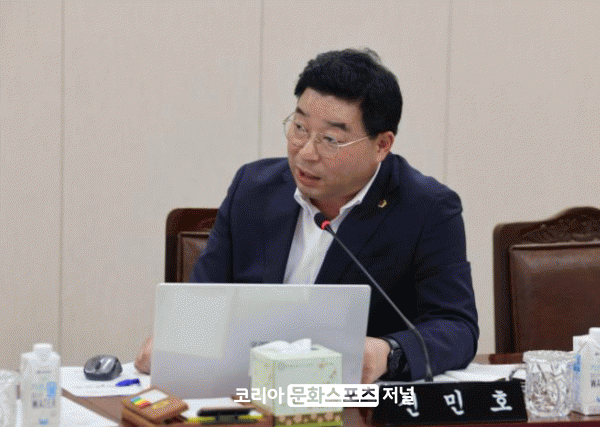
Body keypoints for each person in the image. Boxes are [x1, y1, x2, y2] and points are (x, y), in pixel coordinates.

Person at [136, 48, 479, 383]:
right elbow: (202, 301)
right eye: (299, 127)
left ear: (381, 145)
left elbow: (456, 327)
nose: (307, 152)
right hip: (245, 392)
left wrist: (387, 353)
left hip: (349, 402)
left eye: (330, 139)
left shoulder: (427, 209)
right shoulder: (253, 189)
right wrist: (174, 342)